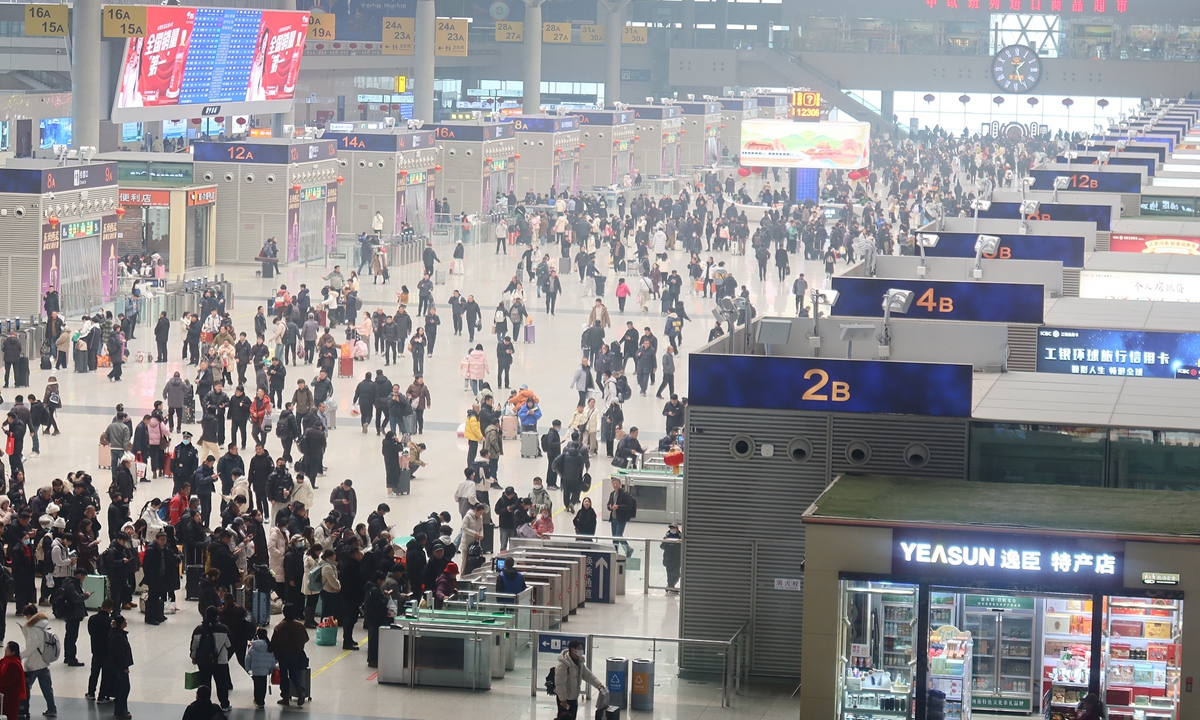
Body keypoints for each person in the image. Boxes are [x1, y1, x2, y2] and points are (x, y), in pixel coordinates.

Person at [190, 605, 234, 713]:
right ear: (217, 616)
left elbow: (194, 646)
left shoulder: (198, 629)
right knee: (221, 683)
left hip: (204, 661)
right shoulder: (223, 628)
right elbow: (229, 644)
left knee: (205, 683)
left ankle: (204, 705)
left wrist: (194, 657)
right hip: (220, 661)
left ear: (205, 615)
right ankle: (224, 704)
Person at [553, 639, 604, 720]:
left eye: (581, 649)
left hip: (573, 698)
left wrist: (598, 684)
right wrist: (563, 700)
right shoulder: (563, 665)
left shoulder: (579, 662)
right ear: (572, 650)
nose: (581, 651)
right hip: (565, 699)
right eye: (579, 649)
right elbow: (560, 684)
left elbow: (588, 675)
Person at [21, 603, 57, 717]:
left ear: (29, 615)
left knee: (26, 688)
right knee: (47, 688)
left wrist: (20, 656)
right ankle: (52, 709)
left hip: (33, 664)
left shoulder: (32, 628)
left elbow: (31, 647)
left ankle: (24, 709)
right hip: (44, 661)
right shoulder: (43, 625)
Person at [270, 604, 309, 706]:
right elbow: (305, 638)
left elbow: (274, 643)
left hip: (283, 655)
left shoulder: (279, 627)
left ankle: (285, 697)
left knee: (283, 676)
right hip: (296, 654)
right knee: (294, 674)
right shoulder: (299, 625)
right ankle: (300, 691)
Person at [107, 614, 133, 719]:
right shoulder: (118, 637)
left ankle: (119, 709)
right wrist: (124, 666)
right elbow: (120, 654)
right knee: (124, 687)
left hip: (117, 666)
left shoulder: (115, 634)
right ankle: (122, 711)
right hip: (120, 666)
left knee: (120, 688)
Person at [245, 627, 276, 710]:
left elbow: (248, 658)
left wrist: (248, 668)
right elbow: (272, 658)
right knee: (263, 686)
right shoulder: (269, 646)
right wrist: (271, 669)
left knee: (257, 686)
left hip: (255, 670)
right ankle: (262, 701)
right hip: (265, 670)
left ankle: (258, 700)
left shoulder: (253, 646)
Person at [607, 478, 635, 556]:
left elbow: (629, 505)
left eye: (616, 483)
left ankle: (628, 548)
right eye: (613, 484)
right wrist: (610, 507)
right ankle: (615, 550)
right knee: (614, 536)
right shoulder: (612, 494)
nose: (615, 485)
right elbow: (608, 504)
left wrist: (618, 506)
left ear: (620, 484)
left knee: (618, 535)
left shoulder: (625, 494)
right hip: (613, 517)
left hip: (621, 518)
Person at [0, 641, 26, 720]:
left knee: (9, 715)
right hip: (3, 694)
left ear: (13, 652)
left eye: (7, 648)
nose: (5, 650)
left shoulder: (14, 665)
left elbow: (8, 681)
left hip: (10, 696)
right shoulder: (5, 661)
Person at [662, 523, 682, 593]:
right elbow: (662, 546)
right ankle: (671, 586)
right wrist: (666, 541)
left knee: (676, 574)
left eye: (673, 528)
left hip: (677, 558)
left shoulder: (680, 537)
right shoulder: (667, 536)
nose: (672, 529)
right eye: (671, 528)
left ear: (677, 529)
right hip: (668, 558)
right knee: (669, 574)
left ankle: (671, 586)